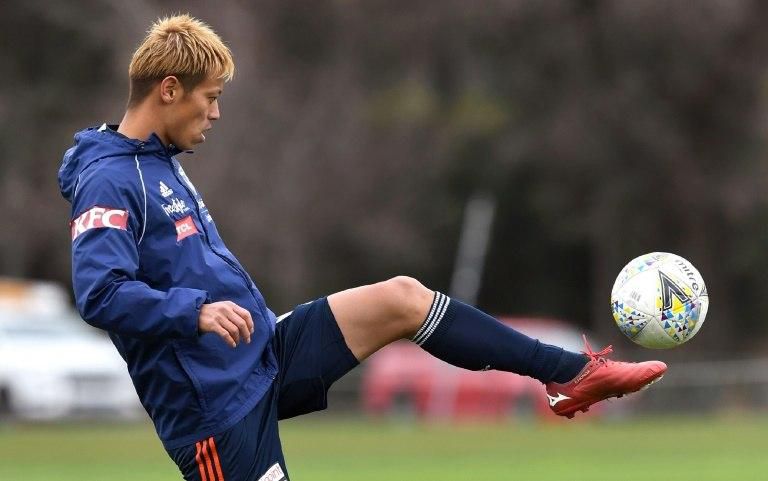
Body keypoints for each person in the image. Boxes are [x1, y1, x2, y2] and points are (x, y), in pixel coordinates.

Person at [59, 14, 666, 481]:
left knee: (402, 298)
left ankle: (574, 374)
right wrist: (193, 311)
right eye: (209, 96)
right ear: (169, 89)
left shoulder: (160, 162)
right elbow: (100, 293)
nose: (216, 112)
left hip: (262, 353)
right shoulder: (111, 179)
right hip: (214, 414)